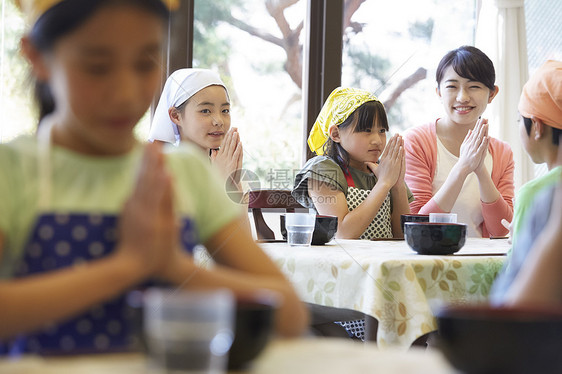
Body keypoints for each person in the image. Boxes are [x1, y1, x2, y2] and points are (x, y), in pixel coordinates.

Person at [0, 0, 307, 355]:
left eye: (146, 63)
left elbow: (290, 314)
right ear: (37, 57)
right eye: (97, 67)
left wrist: (172, 266)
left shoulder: (184, 172)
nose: (126, 92)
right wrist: (128, 266)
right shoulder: (13, 169)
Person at [404, 45, 514, 238]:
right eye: (452, 87)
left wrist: (480, 170)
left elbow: (502, 229)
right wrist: (463, 167)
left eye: (474, 87)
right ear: (439, 92)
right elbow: (417, 225)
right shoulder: (417, 142)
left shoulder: (502, 153)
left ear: (492, 94)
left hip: (480, 263)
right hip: (427, 260)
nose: (463, 97)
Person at [292, 87, 412, 240]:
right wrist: (384, 183)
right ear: (336, 134)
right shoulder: (323, 169)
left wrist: (398, 185)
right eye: (367, 130)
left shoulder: (384, 170)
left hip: (379, 262)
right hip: (338, 262)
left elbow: (403, 236)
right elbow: (342, 233)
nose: (377, 140)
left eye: (382, 130)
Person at [489, 60, 562, 305]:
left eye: (520, 120)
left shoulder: (538, 193)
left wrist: (519, 240)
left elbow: (516, 278)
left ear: (537, 127)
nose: (519, 128)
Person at [149, 68, 243, 186]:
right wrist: (220, 181)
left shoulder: (228, 166)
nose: (219, 121)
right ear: (176, 116)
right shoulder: (163, 172)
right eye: (205, 111)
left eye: (225, 110)